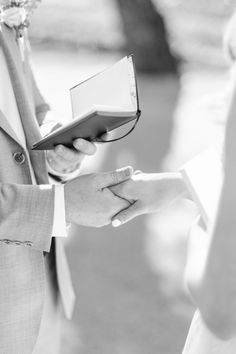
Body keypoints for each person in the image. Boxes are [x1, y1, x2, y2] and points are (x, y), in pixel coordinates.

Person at [0, 3, 132, 353]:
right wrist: (62, 205)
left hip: (36, 293)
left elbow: (31, 109)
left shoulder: (7, 21)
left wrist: (58, 143)